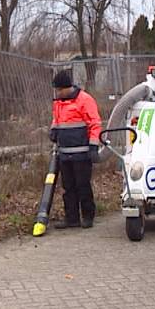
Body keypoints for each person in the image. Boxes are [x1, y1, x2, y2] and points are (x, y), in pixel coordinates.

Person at [49, 69, 102, 229]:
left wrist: (93, 146)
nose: (57, 93)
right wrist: (54, 130)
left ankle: (88, 216)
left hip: (82, 152)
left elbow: (95, 123)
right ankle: (71, 218)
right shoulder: (58, 103)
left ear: (66, 87)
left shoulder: (85, 100)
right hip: (64, 153)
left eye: (59, 90)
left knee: (83, 185)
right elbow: (56, 120)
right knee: (68, 187)